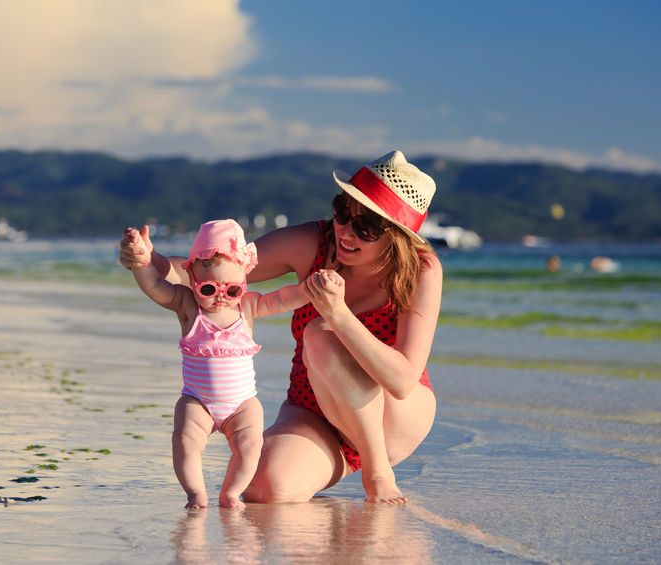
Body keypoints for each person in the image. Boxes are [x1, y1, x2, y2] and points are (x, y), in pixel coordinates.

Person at [119, 150, 442, 504]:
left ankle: (377, 471)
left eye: (366, 227)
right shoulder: (314, 242)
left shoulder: (420, 270)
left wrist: (339, 315)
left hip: (390, 417)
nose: (347, 232)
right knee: (262, 487)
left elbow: (402, 381)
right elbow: (217, 269)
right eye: (343, 212)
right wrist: (148, 261)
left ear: (398, 236)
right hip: (313, 413)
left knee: (320, 334)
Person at [124, 218, 323, 509]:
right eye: (208, 289)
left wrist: (310, 289)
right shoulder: (187, 305)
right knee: (184, 443)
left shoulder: (248, 307)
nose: (220, 297)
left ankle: (231, 492)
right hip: (197, 400)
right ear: (191, 276)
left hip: (241, 403)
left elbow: (282, 298)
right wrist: (141, 262)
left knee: (251, 446)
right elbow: (153, 284)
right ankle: (195, 493)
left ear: (245, 276)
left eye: (232, 290)